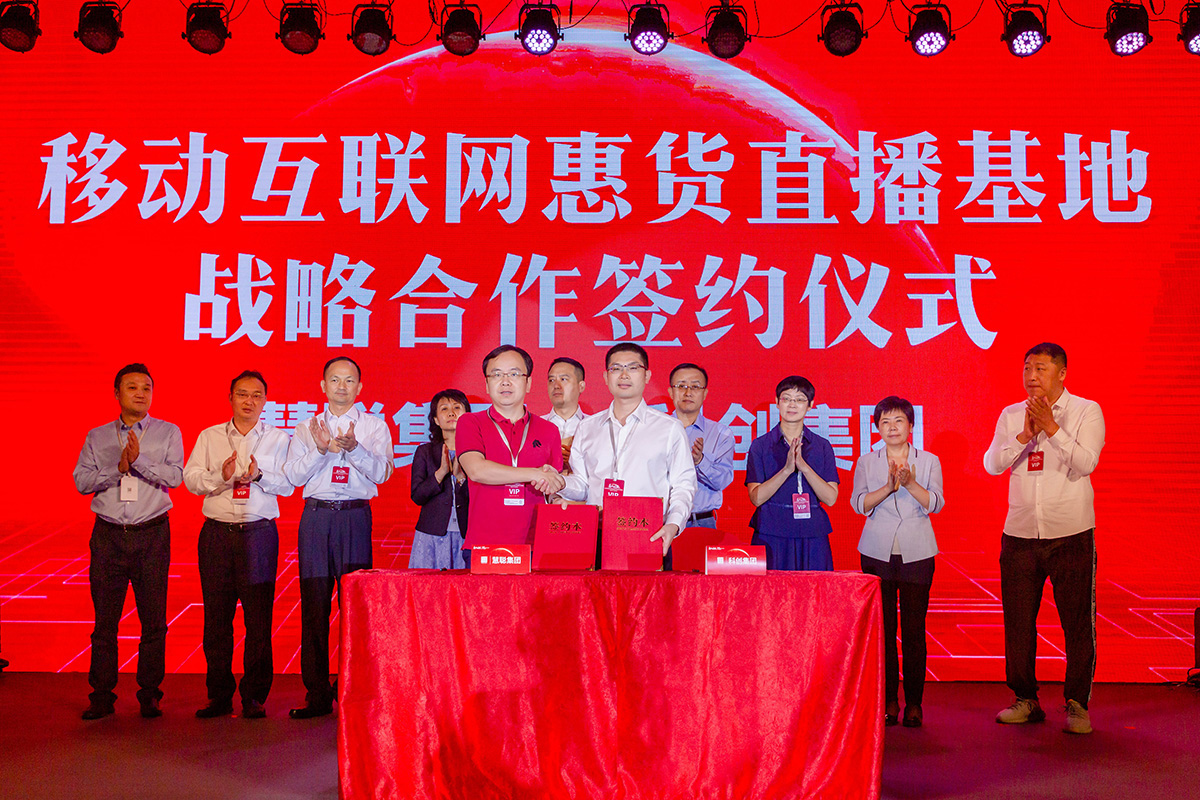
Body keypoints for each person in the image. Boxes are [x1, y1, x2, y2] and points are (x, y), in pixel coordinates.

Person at [984, 342, 1104, 735]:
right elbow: (992, 464)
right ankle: (1026, 699)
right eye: (1026, 368)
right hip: (1019, 534)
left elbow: (1086, 462)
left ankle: (1077, 704)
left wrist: (1051, 428)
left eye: (1040, 368)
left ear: (1062, 373)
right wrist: (1024, 435)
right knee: (1018, 621)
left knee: (1076, 622)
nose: (1031, 376)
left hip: (1070, 533)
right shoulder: (1011, 415)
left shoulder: (1086, 411)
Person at [283, 356, 394, 719]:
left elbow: (383, 473)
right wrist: (320, 450)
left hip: (355, 518)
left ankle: (351, 689)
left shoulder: (374, 426)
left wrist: (354, 449)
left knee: (356, 608)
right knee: (314, 607)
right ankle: (316, 694)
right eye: (335, 380)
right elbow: (294, 477)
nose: (341, 386)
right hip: (316, 519)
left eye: (349, 380)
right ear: (323, 385)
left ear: (360, 387)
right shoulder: (307, 427)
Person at [73, 363, 184, 720]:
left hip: (152, 534)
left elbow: (175, 477)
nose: (141, 393)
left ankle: (149, 694)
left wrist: (140, 460)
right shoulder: (98, 436)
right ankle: (101, 695)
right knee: (105, 622)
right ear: (117, 393)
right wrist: (118, 468)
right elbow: (81, 482)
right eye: (132, 387)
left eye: (147, 388)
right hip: (108, 535)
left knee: (154, 621)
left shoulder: (168, 432)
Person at [183, 370, 293, 720]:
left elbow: (289, 484)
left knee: (258, 619)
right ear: (230, 397)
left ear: (265, 401)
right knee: (217, 618)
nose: (249, 401)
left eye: (257, 395)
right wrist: (221, 476)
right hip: (217, 535)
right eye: (242, 394)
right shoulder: (210, 436)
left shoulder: (279, 438)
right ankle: (218, 695)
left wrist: (259, 476)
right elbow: (190, 480)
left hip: (259, 535)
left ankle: (254, 695)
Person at [851, 396, 944, 729]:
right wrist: (889, 488)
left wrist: (910, 484)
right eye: (885, 422)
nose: (892, 428)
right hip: (877, 552)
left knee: (914, 631)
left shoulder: (929, 460)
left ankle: (914, 703)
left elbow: (936, 503)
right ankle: (889, 700)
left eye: (898, 421)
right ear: (877, 428)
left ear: (911, 425)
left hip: (917, 551)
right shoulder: (866, 461)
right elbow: (859, 504)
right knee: (884, 631)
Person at [560, 343, 697, 568]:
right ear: (605, 377)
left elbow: (684, 485)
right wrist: (558, 482)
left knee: (649, 593)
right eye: (616, 368)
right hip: (597, 536)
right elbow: (583, 485)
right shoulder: (587, 427)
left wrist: (673, 525)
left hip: (650, 534)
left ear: (647, 375)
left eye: (633, 368)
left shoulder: (669, 428)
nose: (624, 375)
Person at [457, 346, 564, 558]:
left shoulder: (549, 430)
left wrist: (557, 493)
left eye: (514, 374)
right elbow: (477, 470)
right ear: (486, 384)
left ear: (528, 383)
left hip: (535, 544)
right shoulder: (470, 422)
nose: (505, 381)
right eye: (497, 375)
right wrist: (533, 473)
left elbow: (550, 485)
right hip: (484, 544)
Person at [745, 376, 839, 571]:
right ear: (777, 402)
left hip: (812, 533)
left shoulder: (822, 446)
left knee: (814, 588)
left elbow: (830, 498)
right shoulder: (760, 445)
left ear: (810, 405)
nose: (792, 404)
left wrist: (804, 467)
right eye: (786, 398)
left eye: (800, 399)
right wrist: (787, 470)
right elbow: (756, 498)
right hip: (771, 532)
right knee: (771, 588)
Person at [408, 389, 472, 570]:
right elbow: (417, 496)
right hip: (431, 535)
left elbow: (484, 497)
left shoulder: (477, 453)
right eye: (444, 409)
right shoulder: (425, 452)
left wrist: (461, 479)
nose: (451, 413)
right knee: (428, 586)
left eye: (457, 407)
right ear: (436, 420)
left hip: (467, 534)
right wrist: (440, 473)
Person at [668, 363, 735, 529]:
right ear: (670, 392)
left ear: (704, 393)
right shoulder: (657, 430)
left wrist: (700, 462)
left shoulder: (721, 434)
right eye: (681, 386)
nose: (688, 392)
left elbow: (722, 481)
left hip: (701, 522)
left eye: (695, 387)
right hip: (663, 520)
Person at [543, 357, 588, 471]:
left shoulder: (595, 427)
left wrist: (576, 462)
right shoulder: (533, 426)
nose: (556, 386)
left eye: (563, 379)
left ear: (581, 386)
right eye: (551, 380)